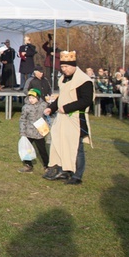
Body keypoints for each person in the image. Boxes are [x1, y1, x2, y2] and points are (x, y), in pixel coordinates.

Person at [42, 51, 93, 185]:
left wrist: (67, 108)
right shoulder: (64, 79)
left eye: (66, 67)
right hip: (62, 119)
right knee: (60, 143)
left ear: (73, 65)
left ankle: (77, 176)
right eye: (62, 67)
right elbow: (62, 97)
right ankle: (64, 170)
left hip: (76, 118)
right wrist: (51, 108)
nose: (64, 70)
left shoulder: (84, 81)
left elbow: (86, 100)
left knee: (76, 147)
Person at [18, 89, 49, 173]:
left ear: (38, 98)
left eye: (33, 98)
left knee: (42, 150)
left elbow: (49, 113)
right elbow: (22, 120)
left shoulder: (44, 105)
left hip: (39, 132)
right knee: (26, 149)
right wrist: (22, 132)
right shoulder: (26, 107)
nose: (31, 100)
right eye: (30, 98)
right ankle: (28, 165)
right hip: (28, 132)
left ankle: (47, 165)